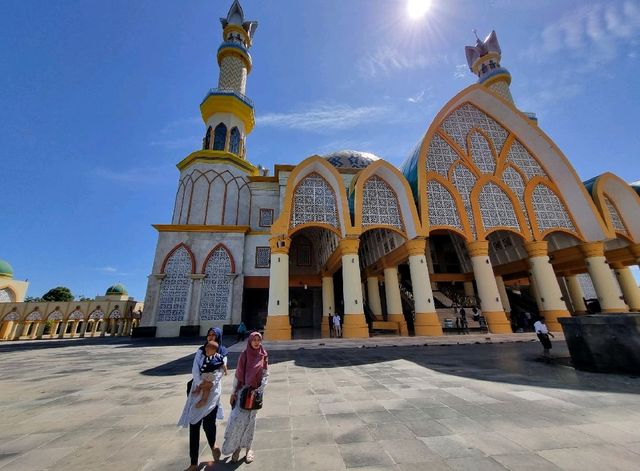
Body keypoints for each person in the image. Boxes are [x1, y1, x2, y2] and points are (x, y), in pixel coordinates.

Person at [178, 328, 228, 471]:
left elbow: (220, 371)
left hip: (212, 392)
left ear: (218, 337)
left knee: (209, 424)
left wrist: (210, 383)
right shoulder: (201, 351)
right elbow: (195, 369)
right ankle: (194, 463)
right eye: (209, 335)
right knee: (194, 424)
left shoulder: (223, 352)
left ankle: (213, 445)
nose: (211, 337)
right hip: (198, 388)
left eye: (214, 335)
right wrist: (200, 383)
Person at [221, 332, 269, 464]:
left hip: (255, 394)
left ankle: (248, 448)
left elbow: (265, 373)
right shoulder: (244, 354)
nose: (256, 342)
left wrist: (260, 389)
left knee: (251, 422)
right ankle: (236, 448)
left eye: (259, 340)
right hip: (242, 391)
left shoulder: (263, 355)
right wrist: (233, 392)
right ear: (249, 341)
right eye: (254, 340)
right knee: (237, 420)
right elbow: (238, 374)